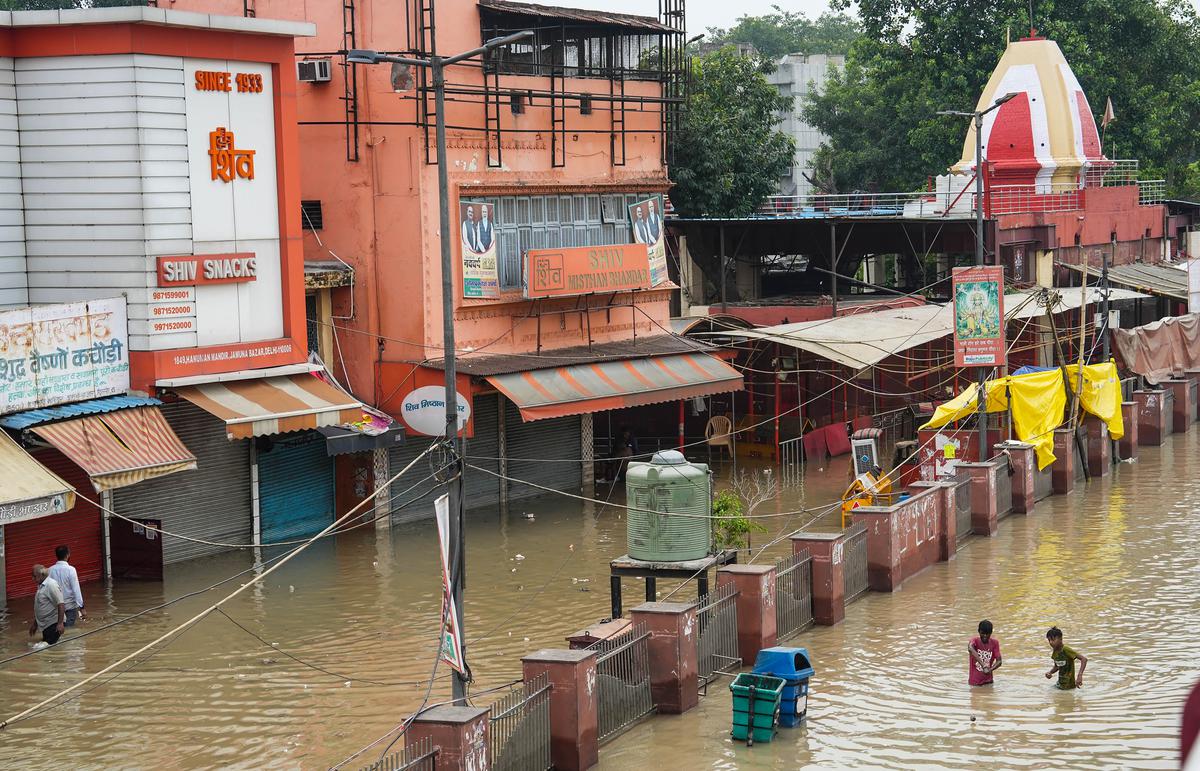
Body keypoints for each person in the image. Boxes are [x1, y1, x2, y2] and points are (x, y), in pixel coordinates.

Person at [48, 544, 85, 627]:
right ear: (68, 555)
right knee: (69, 632)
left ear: (56, 556)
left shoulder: (49, 570)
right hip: (69, 607)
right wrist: (82, 608)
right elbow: (76, 590)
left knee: (58, 632)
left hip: (55, 608)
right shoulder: (71, 570)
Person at [28, 564, 65, 645]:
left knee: (45, 648)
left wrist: (60, 623)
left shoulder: (51, 585)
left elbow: (61, 604)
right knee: (47, 646)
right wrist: (35, 624)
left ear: (41, 575)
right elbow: (41, 607)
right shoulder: (41, 586)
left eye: (34, 576)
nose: (32, 579)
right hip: (46, 625)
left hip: (53, 624)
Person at [968, 619, 1002, 686]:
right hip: (975, 683)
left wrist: (990, 670)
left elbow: (999, 661)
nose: (985, 636)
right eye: (982, 633)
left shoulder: (995, 643)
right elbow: (970, 648)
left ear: (991, 633)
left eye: (987, 634)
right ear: (979, 632)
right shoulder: (974, 641)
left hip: (989, 681)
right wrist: (983, 665)